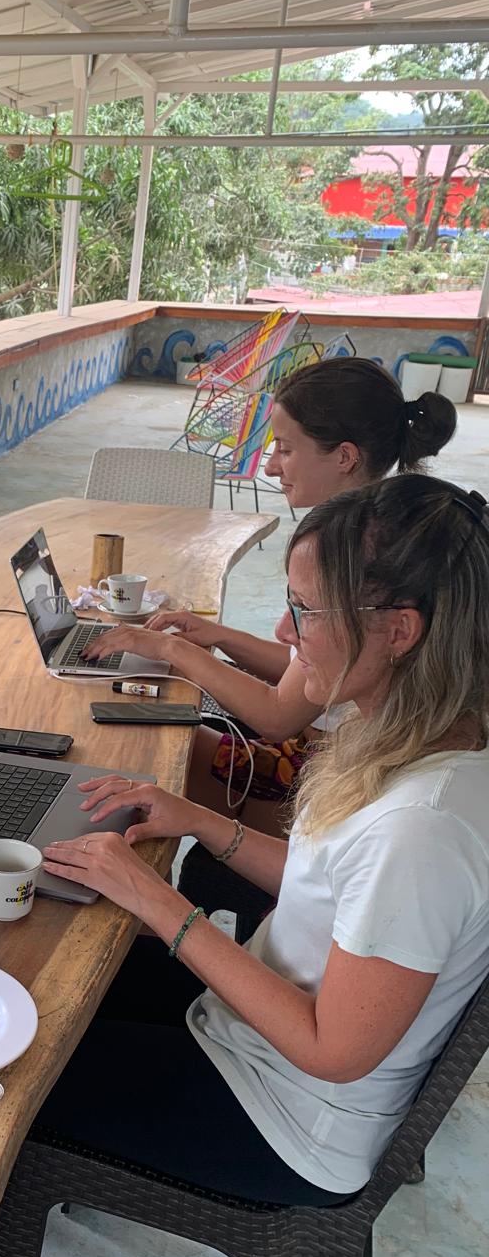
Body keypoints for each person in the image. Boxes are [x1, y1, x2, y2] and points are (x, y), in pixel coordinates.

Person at [37, 474, 489, 1202]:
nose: (282, 632)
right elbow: (328, 890)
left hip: (282, 1115)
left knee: (6, 1076)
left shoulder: (423, 831)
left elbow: (331, 1050)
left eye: (304, 610)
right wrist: (199, 821)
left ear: (400, 631)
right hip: (248, 1032)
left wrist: (156, 900)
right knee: (44, 987)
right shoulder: (415, 735)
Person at [85, 356, 457, 824]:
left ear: (344, 456)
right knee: (157, 716)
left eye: (285, 448)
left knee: (144, 746)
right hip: (327, 744)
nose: (270, 466)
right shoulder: (374, 529)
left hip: (322, 767)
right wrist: (217, 637)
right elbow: (306, 665)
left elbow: (279, 715)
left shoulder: (354, 557)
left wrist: (169, 648)